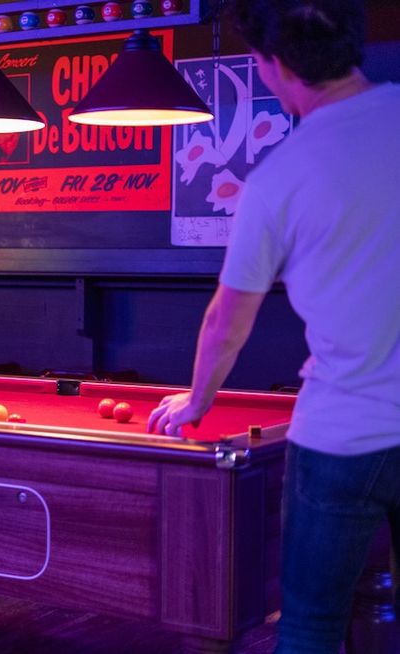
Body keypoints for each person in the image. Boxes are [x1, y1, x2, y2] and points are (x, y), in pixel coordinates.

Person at [147, 1, 399, 652]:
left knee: (311, 626)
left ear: (272, 64)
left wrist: (197, 401)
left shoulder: (279, 178)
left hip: (341, 438)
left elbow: (227, 319)